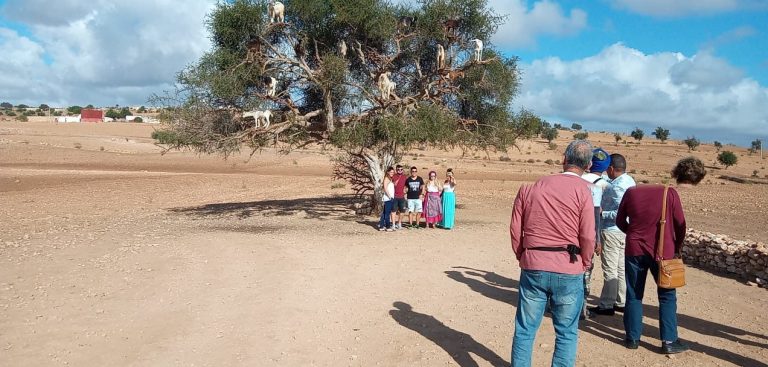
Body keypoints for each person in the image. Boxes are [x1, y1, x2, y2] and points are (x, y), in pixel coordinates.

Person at [510, 140, 596, 366]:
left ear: (564, 160)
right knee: (566, 332)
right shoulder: (584, 191)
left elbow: (515, 228)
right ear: (588, 166)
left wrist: (522, 255)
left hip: (533, 263)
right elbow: (588, 235)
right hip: (569, 267)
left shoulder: (530, 188)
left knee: (525, 329)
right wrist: (585, 262)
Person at [618, 157, 706, 354]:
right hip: (663, 253)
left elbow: (619, 220)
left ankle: (632, 339)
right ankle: (668, 341)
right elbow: (680, 225)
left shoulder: (631, 191)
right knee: (667, 296)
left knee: (633, 294)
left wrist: (633, 234)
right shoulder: (670, 193)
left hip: (634, 250)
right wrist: (677, 246)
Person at [589, 153, 636, 317]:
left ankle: (606, 305)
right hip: (623, 231)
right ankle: (620, 301)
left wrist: (603, 213)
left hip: (611, 230)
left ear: (611, 168)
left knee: (610, 269)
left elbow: (621, 212)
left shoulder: (617, 187)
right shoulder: (629, 181)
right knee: (621, 268)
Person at [580, 148, 611, 319]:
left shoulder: (577, 178)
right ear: (606, 166)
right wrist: (597, 240)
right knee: (586, 271)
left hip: (570, 233)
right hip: (588, 235)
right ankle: (581, 310)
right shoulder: (602, 184)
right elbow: (595, 214)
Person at [378, 166, 395, 232]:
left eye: (393, 172)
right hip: (388, 198)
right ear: (388, 172)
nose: (392, 173)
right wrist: (389, 196)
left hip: (389, 198)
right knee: (387, 213)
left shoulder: (390, 179)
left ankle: (381, 226)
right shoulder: (386, 179)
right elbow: (385, 188)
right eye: (391, 172)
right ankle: (388, 227)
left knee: (384, 213)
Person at [392, 165, 408, 230]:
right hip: (394, 196)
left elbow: (407, 185)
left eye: (401, 169)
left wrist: (406, 190)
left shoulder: (405, 177)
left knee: (403, 211)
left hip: (402, 197)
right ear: (396, 170)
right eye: (398, 169)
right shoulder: (393, 176)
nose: (400, 170)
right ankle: (393, 225)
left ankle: (399, 224)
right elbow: (390, 184)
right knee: (393, 211)